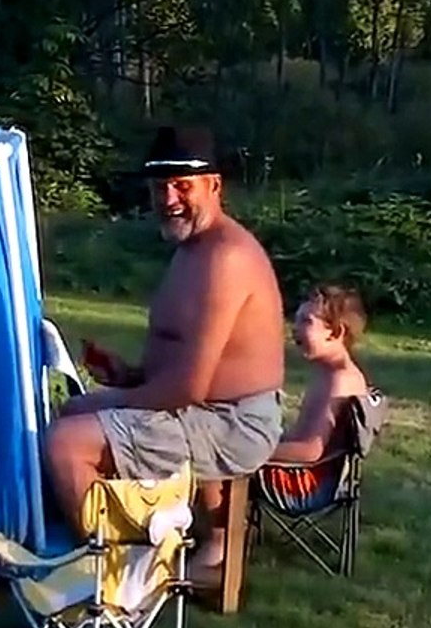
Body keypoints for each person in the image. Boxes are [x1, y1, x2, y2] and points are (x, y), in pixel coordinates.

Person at [45, 126, 286, 582]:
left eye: (182, 186)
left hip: (232, 422)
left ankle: (114, 578)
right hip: (205, 407)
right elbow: (188, 362)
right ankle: (155, 542)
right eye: (160, 188)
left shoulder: (225, 257)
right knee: (78, 412)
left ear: (215, 186)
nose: (169, 198)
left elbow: (189, 386)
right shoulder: (192, 248)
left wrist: (104, 401)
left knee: (65, 441)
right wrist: (130, 374)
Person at [270, 284, 371, 465]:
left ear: (335, 332)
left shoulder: (341, 380)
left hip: (312, 484)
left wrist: (255, 453)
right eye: (296, 320)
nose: (295, 328)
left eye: (306, 321)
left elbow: (311, 450)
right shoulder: (329, 373)